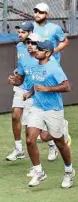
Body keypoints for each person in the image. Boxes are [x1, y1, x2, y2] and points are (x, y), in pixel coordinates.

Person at [8, 40, 75, 188]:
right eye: (37, 48)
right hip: (37, 108)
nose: (36, 51)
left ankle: (69, 171)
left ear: (48, 53)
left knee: (59, 143)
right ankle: (39, 172)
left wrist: (47, 89)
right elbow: (34, 84)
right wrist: (29, 93)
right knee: (30, 140)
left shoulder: (54, 67)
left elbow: (67, 86)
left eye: (40, 49)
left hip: (53, 109)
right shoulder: (34, 66)